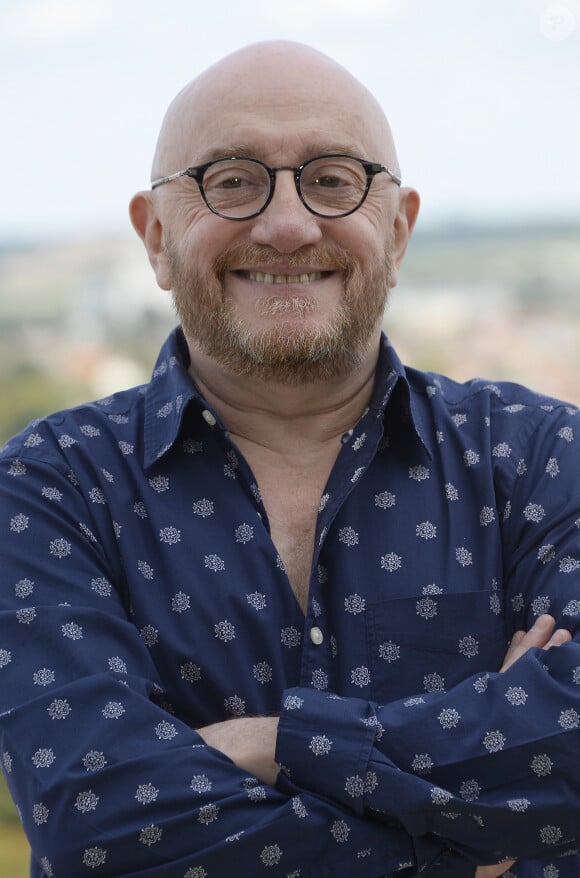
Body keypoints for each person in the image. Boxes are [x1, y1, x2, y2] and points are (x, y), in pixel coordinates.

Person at [0, 40, 579, 878]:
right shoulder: (49, 489)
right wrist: (469, 830)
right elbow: (101, 833)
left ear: (400, 227)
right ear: (157, 236)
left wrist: (274, 745)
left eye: (333, 178)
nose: (286, 224)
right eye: (230, 180)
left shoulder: (541, 456)